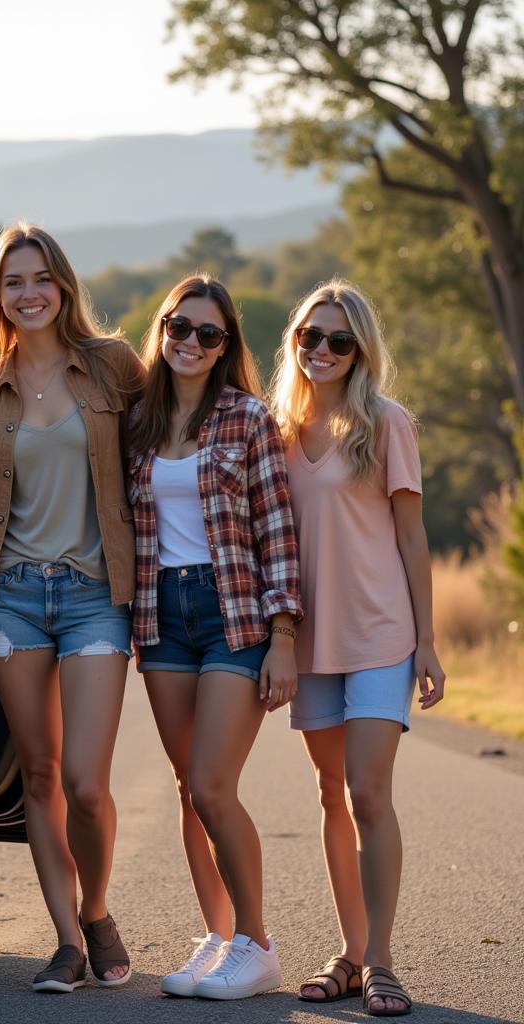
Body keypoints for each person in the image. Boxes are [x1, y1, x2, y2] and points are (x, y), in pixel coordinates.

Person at [0, 222, 144, 992]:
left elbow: (162, 448)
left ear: (63, 285)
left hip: (95, 594)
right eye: (13, 282)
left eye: (40, 278)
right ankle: (68, 940)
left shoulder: (112, 366)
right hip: (11, 600)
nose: (28, 293)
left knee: (86, 783)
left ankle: (96, 907)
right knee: (37, 773)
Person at [271, 279, 445, 1017]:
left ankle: (381, 962)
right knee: (329, 793)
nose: (323, 351)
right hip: (310, 643)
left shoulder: (385, 423)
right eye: (311, 337)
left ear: (361, 349)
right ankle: (347, 951)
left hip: (380, 635)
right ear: (295, 342)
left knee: (369, 793)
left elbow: (411, 535)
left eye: (340, 340)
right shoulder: (276, 428)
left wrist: (428, 642)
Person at [129, 274, 302, 1000]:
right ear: (162, 328)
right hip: (161, 614)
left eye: (208, 333)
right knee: (186, 789)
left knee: (212, 785)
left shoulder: (248, 418)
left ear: (226, 345)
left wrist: (285, 634)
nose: (189, 342)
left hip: (234, 615)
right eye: (179, 326)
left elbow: (278, 529)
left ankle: (257, 946)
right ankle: (220, 935)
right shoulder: (137, 419)